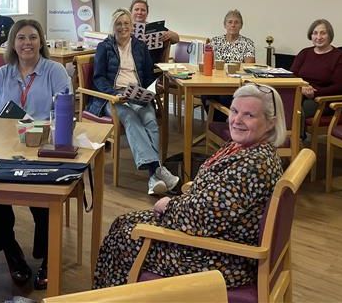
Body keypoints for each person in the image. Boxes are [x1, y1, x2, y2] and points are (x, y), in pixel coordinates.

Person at [93, 83, 286, 289]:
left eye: (249, 115)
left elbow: (202, 217)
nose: (237, 120)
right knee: (122, 222)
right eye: (235, 111)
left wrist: (169, 204)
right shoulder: (245, 147)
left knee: (124, 238)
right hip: (211, 232)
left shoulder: (253, 166)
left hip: (221, 257)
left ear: (271, 123)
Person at [0, 19, 71, 289]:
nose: (27, 43)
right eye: (21, 38)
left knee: (43, 196)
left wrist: (38, 128)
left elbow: (62, 112)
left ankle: (47, 257)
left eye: (32, 37)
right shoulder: (1, 74)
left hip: (43, 146)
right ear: (13, 44)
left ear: (41, 41)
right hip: (5, 146)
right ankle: (11, 250)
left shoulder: (55, 72)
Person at [86, 8, 179, 196]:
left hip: (136, 94)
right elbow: (99, 78)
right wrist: (114, 93)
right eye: (119, 24)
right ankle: (157, 169)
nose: (123, 27)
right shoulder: (105, 47)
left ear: (132, 26)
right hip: (113, 97)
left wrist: (151, 90)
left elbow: (145, 75)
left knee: (150, 119)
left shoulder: (139, 46)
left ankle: (154, 179)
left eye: (126, 24)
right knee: (131, 118)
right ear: (114, 26)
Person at [202, 9, 257, 121]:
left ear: (241, 25)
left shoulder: (247, 43)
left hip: (236, 83)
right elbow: (208, 62)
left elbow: (249, 65)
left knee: (224, 96)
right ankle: (219, 125)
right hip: (215, 81)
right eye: (230, 22)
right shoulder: (215, 41)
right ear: (225, 24)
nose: (233, 25)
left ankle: (222, 126)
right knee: (205, 94)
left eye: (236, 22)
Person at [290, 19, 342, 120]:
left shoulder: (340, 57)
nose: (318, 37)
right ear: (311, 35)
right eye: (315, 33)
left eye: (323, 33)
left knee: (296, 110)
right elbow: (291, 76)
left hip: (323, 100)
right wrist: (302, 88)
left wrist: (314, 92)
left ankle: (297, 136)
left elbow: (339, 87)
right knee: (277, 104)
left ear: (330, 35)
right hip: (300, 94)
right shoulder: (304, 53)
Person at [130, 0, 180, 64]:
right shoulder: (125, 28)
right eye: (136, 9)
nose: (139, 12)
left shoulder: (154, 27)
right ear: (131, 12)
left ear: (147, 13)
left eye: (143, 10)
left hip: (151, 66)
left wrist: (170, 34)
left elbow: (176, 39)